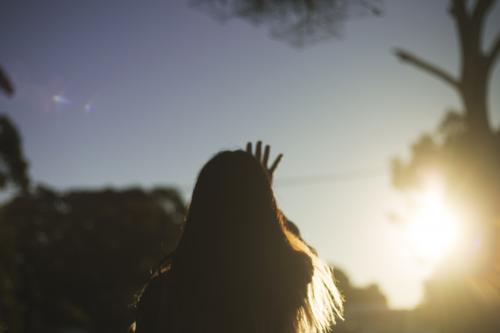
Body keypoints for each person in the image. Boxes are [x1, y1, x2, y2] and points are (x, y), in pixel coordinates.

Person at [132, 142, 343, 333]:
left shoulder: (161, 293)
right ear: (262, 209)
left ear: (200, 208)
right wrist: (265, 194)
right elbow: (292, 247)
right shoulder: (287, 274)